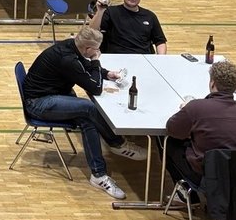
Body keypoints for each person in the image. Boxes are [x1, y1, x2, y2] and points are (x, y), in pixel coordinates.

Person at [21, 26, 145, 199]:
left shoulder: (72, 46)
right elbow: (95, 87)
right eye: (96, 50)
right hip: (39, 103)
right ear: (87, 49)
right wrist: (96, 61)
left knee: (87, 120)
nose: (98, 52)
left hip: (54, 94)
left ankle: (98, 175)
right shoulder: (67, 60)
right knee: (88, 107)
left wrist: (107, 73)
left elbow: (84, 67)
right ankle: (117, 143)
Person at [164, 60, 236, 188]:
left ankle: (187, 192)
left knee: (169, 142)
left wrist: (187, 111)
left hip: (208, 175)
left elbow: (172, 129)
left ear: (212, 83)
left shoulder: (196, 107)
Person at [88, 0, 167, 55]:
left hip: (143, 57)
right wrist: (100, 11)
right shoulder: (110, 12)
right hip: (117, 57)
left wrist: (161, 59)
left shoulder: (150, 16)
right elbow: (92, 31)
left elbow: (160, 42)